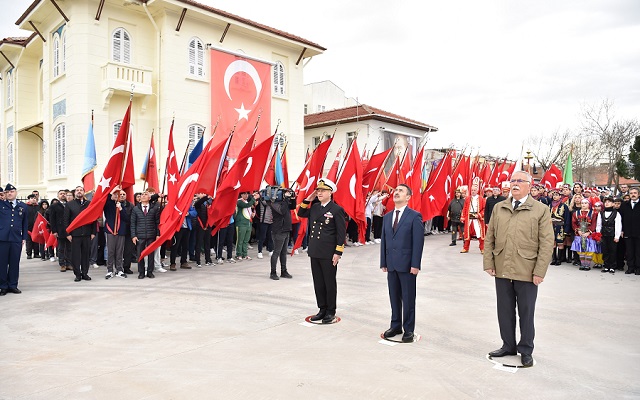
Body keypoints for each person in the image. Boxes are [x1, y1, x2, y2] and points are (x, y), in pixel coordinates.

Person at [484, 171, 554, 368]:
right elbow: (490, 237)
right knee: (504, 310)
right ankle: (508, 345)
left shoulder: (540, 210)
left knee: (526, 312)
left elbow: (547, 243)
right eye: (512, 180)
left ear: (529, 186)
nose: (514, 184)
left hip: (527, 269)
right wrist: (488, 262)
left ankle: (526, 349)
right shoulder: (499, 207)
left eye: (519, 181)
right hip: (502, 268)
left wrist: (539, 271)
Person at [380, 184, 424, 343]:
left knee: (408, 297)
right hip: (391, 264)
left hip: (407, 265)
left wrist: (415, 264)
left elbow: (418, 242)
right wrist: (383, 261)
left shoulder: (414, 216)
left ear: (408, 197)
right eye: (396, 190)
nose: (396, 192)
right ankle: (396, 325)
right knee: (394, 297)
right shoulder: (387, 217)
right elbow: (384, 241)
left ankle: (409, 329)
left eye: (401, 191)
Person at [298, 178, 346, 324]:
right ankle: (322, 309)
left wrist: (338, 252)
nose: (319, 192)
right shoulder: (314, 207)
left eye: (322, 190)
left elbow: (341, 233)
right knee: (318, 282)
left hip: (328, 253)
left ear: (330, 192)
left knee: (329, 283)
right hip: (315, 251)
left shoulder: (336, 209)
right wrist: (308, 198)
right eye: (318, 190)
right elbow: (300, 213)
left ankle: (330, 311)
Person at [0, 184, 29, 295]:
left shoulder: (23, 206)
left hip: (16, 238)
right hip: (2, 238)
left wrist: (24, 238)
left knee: (14, 262)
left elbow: (25, 223)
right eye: (7, 192)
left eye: (11, 191)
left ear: (16, 192)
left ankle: (13, 285)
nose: (9, 194)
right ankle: (3, 286)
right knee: (2, 263)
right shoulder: (1, 204)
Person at [63, 186, 96, 282]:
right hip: (75, 234)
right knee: (76, 255)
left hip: (87, 233)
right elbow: (66, 220)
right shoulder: (70, 205)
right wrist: (67, 234)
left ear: (84, 192)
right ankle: (77, 274)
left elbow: (93, 219)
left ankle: (85, 273)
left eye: (81, 190)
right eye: (77, 190)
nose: (79, 192)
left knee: (86, 255)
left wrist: (93, 232)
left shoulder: (89, 204)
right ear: (74, 193)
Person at [267, 188, 296, 280]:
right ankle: (273, 272)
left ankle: (284, 271)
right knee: (277, 252)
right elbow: (282, 211)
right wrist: (286, 199)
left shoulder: (284, 203)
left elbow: (293, 207)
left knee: (283, 252)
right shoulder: (273, 203)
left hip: (286, 229)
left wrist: (292, 198)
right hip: (279, 230)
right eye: (283, 194)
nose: (284, 195)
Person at [131, 190, 161, 279]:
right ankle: (141, 272)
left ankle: (150, 272)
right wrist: (133, 235)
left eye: (145, 194)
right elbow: (133, 223)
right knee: (140, 255)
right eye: (142, 195)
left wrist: (157, 234)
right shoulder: (135, 209)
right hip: (140, 235)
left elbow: (157, 223)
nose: (143, 196)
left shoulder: (154, 208)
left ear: (149, 198)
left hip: (151, 235)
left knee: (151, 254)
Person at [103, 185, 129, 279]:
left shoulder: (122, 205)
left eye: (120, 194)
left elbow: (126, 219)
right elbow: (106, 200)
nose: (118, 196)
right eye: (116, 194)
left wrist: (121, 210)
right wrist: (112, 191)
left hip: (120, 231)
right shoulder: (109, 205)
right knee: (110, 251)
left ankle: (119, 269)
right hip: (110, 231)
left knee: (119, 252)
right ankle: (110, 270)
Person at [570, 199, 598, 271]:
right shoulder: (576, 213)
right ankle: (582, 264)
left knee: (589, 250)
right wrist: (578, 230)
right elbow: (574, 223)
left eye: (585, 203)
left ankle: (587, 265)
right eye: (582, 203)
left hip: (588, 234)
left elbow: (594, 223)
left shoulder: (593, 213)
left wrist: (589, 232)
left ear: (589, 204)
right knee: (581, 249)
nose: (583, 204)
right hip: (580, 233)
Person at [596, 196, 621, 274]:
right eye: (605, 202)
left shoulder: (616, 213)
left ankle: (612, 266)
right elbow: (599, 224)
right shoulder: (601, 213)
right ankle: (606, 266)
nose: (607, 203)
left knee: (612, 250)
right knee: (605, 250)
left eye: (609, 202)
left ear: (613, 204)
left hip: (612, 234)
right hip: (604, 234)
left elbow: (618, 225)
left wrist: (617, 236)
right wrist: (598, 234)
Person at [460, 181, 486, 254]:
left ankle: (482, 248)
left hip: (477, 219)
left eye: (474, 190)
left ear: (477, 191)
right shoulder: (467, 199)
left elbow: (484, 209)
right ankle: (465, 248)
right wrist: (463, 217)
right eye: (472, 190)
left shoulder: (481, 199)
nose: (473, 191)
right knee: (467, 233)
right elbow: (465, 208)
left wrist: (479, 215)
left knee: (479, 233)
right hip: (469, 218)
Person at [620, 187, 640, 275]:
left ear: (638, 194)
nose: (633, 194)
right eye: (631, 193)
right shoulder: (624, 205)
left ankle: (638, 268)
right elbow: (621, 218)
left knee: (638, 251)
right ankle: (630, 267)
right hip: (628, 232)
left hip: (638, 232)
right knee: (629, 251)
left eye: (635, 193)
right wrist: (622, 230)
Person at [549, 189, 571, 265]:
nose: (555, 197)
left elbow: (567, 218)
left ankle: (559, 259)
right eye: (554, 195)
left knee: (560, 243)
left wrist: (566, 229)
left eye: (557, 195)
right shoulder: (550, 205)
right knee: (553, 243)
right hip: (551, 226)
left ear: (560, 196)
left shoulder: (564, 206)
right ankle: (554, 258)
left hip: (560, 226)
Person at [234, 191, 256, 261]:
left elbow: (248, 209)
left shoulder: (246, 202)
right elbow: (247, 205)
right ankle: (238, 254)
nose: (246, 195)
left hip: (248, 223)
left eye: (247, 194)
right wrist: (253, 199)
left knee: (246, 240)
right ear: (241, 195)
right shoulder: (239, 201)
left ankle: (245, 254)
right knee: (240, 240)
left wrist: (252, 214)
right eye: (244, 194)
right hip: (241, 223)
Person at [25, 194, 40, 259]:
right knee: (29, 241)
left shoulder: (38, 207)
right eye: (31, 198)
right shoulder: (26, 207)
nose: (33, 199)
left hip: (36, 226)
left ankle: (36, 253)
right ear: (29, 199)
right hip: (28, 226)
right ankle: (29, 253)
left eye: (34, 198)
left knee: (36, 240)